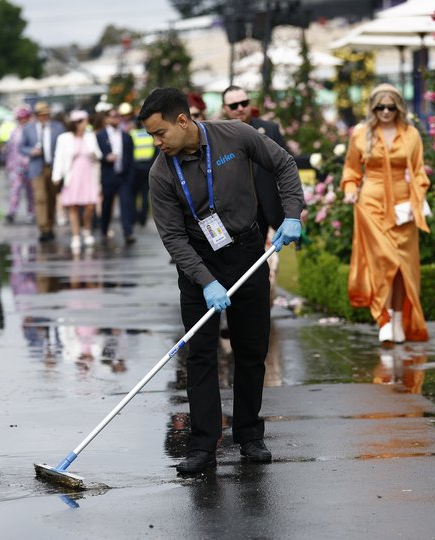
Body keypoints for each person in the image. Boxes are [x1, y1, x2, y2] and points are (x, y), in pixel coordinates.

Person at [138, 88, 304, 474]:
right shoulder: (161, 173)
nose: (157, 142)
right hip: (198, 262)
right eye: (151, 136)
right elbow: (173, 238)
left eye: (160, 133)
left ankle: (249, 435)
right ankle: (202, 445)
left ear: (183, 120)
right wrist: (205, 280)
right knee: (200, 354)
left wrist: (292, 213)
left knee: (251, 349)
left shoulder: (236, 135)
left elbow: (283, 165)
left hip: (247, 251)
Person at [341, 83, 430, 344]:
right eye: (380, 107)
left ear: (399, 107)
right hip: (371, 204)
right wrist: (350, 189)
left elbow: (419, 172)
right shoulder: (361, 133)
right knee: (383, 261)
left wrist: (416, 200)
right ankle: (385, 318)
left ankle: (399, 318)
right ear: (373, 108)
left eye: (391, 107)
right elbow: (351, 169)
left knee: (403, 266)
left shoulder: (411, 134)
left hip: (403, 206)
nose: (386, 112)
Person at [221, 85, 289, 240]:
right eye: (233, 106)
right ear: (224, 108)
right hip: (237, 213)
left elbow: (285, 168)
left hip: (270, 209)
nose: (240, 108)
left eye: (244, 103)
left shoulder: (270, 129)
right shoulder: (218, 136)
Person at [52, 109, 102, 250]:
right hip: (72, 176)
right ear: (77, 123)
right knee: (73, 206)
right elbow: (59, 158)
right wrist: (57, 175)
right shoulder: (64, 138)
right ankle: (75, 235)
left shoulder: (90, 137)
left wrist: (94, 154)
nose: (86, 124)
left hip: (88, 175)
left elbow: (98, 155)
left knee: (90, 205)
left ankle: (86, 229)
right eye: (84, 122)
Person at [20, 101, 65, 242]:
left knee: (52, 198)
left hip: (53, 167)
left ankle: (50, 225)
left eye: (46, 114)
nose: (44, 117)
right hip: (37, 167)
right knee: (40, 198)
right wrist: (31, 151)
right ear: (36, 116)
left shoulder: (58, 127)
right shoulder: (28, 129)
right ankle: (43, 228)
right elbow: (22, 147)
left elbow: (63, 146)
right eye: (41, 115)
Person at [96, 105, 136, 244]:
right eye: (113, 116)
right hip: (108, 176)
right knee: (107, 204)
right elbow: (96, 154)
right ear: (107, 118)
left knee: (126, 204)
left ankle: (128, 232)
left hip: (123, 176)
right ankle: (104, 228)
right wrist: (105, 158)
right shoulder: (100, 136)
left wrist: (130, 175)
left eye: (119, 116)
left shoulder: (126, 136)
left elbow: (130, 157)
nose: (117, 119)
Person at [124, 103, 157, 227]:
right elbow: (155, 151)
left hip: (135, 168)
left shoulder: (132, 135)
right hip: (147, 166)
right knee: (144, 193)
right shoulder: (149, 135)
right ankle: (143, 217)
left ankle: (134, 216)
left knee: (133, 194)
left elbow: (128, 153)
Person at [5, 106, 34, 224]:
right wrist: (9, 165)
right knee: (15, 189)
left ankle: (31, 212)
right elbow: (10, 150)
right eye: (21, 118)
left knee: (30, 191)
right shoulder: (14, 132)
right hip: (16, 166)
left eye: (25, 118)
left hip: (30, 165)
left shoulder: (32, 131)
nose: (23, 120)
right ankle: (12, 211)